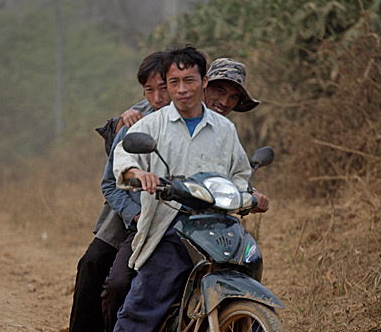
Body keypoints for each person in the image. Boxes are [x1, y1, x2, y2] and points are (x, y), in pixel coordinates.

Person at [111, 45, 269, 332]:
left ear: (203, 82)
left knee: (250, 275)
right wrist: (138, 173)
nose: (182, 89)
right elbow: (124, 156)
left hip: (220, 225)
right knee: (143, 307)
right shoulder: (153, 125)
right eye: (174, 82)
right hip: (171, 225)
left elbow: (239, 174)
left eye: (189, 81)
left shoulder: (224, 129)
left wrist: (251, 195)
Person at [68, 51, 171, 332]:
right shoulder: (135, 122)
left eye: (164, 88)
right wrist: (136, 216)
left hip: (174, 217)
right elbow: (110, 184)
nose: (159, 97)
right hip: (131, 213)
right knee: (94, 266)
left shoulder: (200, 118)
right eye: (150, 90)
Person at [117, 57, 260, 129]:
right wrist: (127, 116)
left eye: (233, 97)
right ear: (204, 84)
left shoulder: (225, 130)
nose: (224, 102)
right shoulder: (155, 117)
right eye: (220, 91)